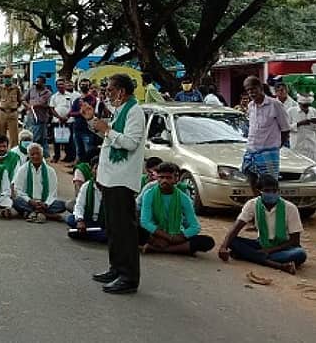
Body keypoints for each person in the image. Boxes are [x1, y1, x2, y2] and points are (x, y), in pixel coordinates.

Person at [84, 73, 146, 295]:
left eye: (110, 90)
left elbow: (130, 143)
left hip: (122, 179)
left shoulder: (135, 112)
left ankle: (129, 277)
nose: (107, 94)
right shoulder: (120, 111)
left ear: (121, 91)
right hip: (110, 178)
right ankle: (116, 268)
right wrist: (92, 120)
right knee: (113, 228)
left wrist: (107, 129)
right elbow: (108, 137)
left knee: (124, 231)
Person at [217, 174, 307, 275]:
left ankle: (248, 255)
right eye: (267, 191)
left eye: (274, 191)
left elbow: (295, 241)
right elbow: (236, 227)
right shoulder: (252, 204)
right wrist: (223, 247)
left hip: (283, 247)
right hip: (262, 244)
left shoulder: (290, 208)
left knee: (299, 254)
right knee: (232, 241)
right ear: (259, 192)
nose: (271, 194)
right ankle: (276, 265)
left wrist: (269, 250)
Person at [139, 162, 214, 255]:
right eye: (161, 177)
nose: (164, 181)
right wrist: (167, 237)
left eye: (168, 178)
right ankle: (175, 248)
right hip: (155, 235)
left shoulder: (184, 198)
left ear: (176, 179)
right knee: (135, 229)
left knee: (208, 241)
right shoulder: (149, 194)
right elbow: (145, 222)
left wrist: (179, 237)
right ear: (157, 178)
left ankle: (159, 249)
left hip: (176, 235)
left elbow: (195, 227)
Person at [241, 76, 291, 188]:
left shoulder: (275, 105)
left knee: (270, 185)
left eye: (253, 89)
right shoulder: (251, 106)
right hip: (251, 151)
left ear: (260, 87)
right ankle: (257, 199)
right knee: (251, 179)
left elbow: (285, 129)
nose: (251, 92)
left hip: (269, 153)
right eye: (248, 90)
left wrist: (276, 146)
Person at [13, 143, 66, 222]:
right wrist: (30, 201)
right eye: (32, 154)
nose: (35, 156)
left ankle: (32, 213)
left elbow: (52, 192)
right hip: (29, 202)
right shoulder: (22, 170)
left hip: (44, 203)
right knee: (16, 201)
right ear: (28, 156)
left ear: (42, 155)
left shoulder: (50, 171)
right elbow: (18, 190)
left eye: (38, 154)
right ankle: (47, 214)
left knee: (62, 205)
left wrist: (46, 204)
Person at [67, 157, 107, 243]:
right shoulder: (86, 186)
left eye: (101, 168)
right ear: (92, 170)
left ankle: (83, 234)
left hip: (104, 223)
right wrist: (80, 221)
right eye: (96, 168)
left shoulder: (111, 188)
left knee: (109, 233)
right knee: (70, 219)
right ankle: (94, 234)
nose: (99, 171)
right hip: (89, 220)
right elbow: (79, 205)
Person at [69, 78, 97, 162]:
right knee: (79, 151)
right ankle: (80, 167)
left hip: (87, 129)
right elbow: (71, 113)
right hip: (77, 128)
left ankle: (89, 167)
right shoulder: (77, 100)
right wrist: (81, 113)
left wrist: (80, 112)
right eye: (82, 85)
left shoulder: (92, 99)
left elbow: (88, 111)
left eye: (86, 85)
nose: (83, 86)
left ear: (89, 86)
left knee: (89, 151)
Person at [0, 68, 23, 148]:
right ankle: (1, 149)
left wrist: (15, 108)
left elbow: (20, 100)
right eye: (6, 77)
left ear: (11, 77)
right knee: (1, 133)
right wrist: (0, 107)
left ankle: (14, 150)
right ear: (3, 78)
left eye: (9, 77)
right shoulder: (0, 88)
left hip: (13, 113)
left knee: (14, 134)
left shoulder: (16, 88)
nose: (7, 79)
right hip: (2, 112)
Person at [26, 76, 52, 157]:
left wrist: (36, 105)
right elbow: (23, 99)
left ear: (43, 83)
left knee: (41, 137)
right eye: (36, 81)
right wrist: (28, 105)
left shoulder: (48, 93)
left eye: (38, 82)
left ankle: (43, 154)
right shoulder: (31, 90)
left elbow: (47, 105)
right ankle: (36, 153)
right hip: (31, 117)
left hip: (41, 117)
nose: (36, 83)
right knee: (31, 135)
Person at [289, 94, 316, 162]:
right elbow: (286, 127)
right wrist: (299, 123)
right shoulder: (291, 111)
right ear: (299, 103)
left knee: (312, 165)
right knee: (297, 164)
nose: (306, 107)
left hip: (311, 145)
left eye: (308, 105)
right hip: (297, 145)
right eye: (304, 105)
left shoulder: (314, 111)